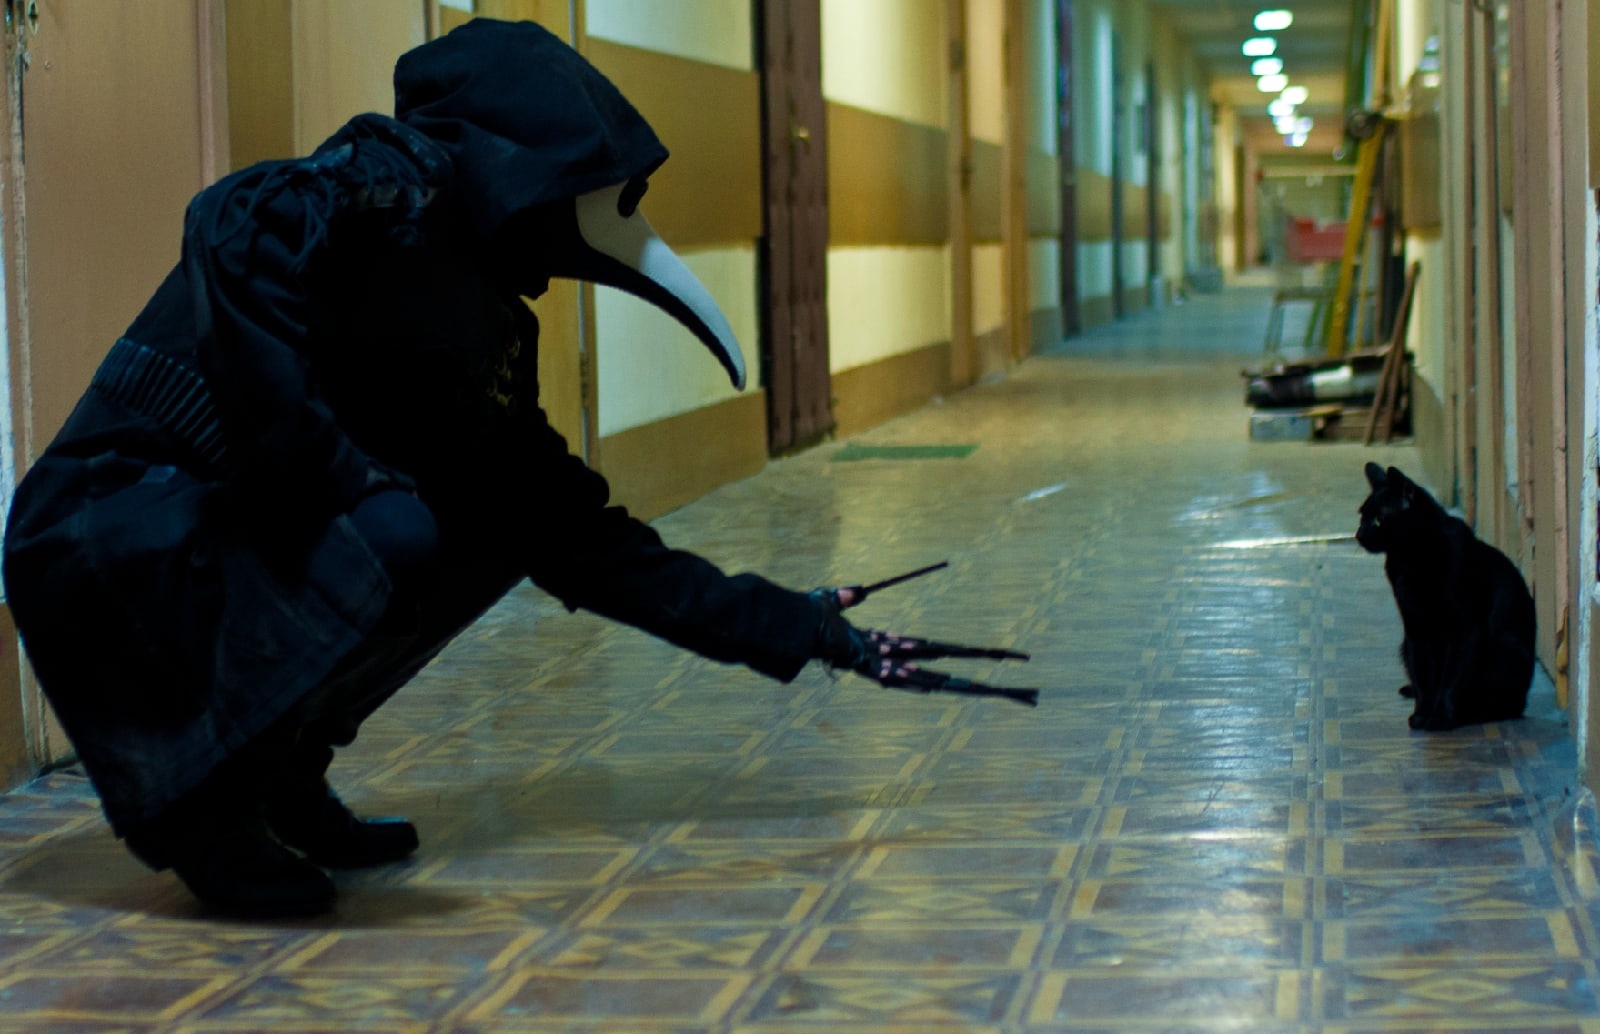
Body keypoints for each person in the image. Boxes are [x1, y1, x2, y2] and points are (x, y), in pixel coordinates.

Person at [1, 19, 1031, 918]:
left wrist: (797, 623)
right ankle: (205, 806)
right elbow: (228, 228)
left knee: (488, 523)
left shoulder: (476, 312)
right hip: (110, 532)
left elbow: (577, 538)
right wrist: (334, 472)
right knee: (396, 531)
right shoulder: (371, 189)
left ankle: (277, 770)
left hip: (209, 535)